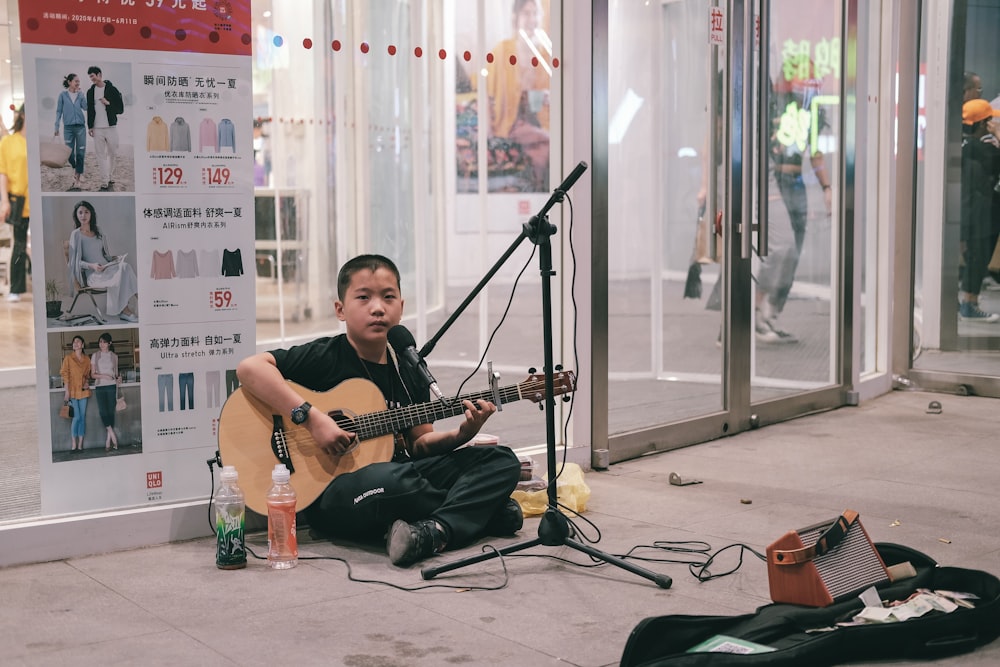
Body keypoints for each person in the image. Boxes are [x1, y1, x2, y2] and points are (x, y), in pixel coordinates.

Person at [236, 254, 523, 567]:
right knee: (394, 480)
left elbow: (419, 444)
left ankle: (434, 531)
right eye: (363, 297)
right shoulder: (326, 356)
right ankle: (482, 511)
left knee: (502, 461)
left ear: (401, 305)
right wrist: (313, 419)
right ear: (340, 310)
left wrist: (462, 433)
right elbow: (250, 368)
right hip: (340, 494)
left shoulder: (409, 366)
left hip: (402, 478)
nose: (377, 307)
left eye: (388, 297)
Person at [753, 68, 834, 343]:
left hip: (796, 182)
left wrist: (827, 187)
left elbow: (814, 153)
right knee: (778, 249)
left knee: (792, 254)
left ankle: (769, 316)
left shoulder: (810, 116)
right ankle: (754, 313)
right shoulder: (774, 113)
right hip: (775, 181)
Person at [482, 0, 552, 192]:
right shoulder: (502, 51)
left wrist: (549, 97)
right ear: (516, 18)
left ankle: (538, 195)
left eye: (535, 13)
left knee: (544, 151)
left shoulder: (546, 53)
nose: (532, 19)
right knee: (547, 144)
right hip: (511, 123)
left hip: (539, 120)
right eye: (526, 14)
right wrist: (487, 132)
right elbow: (486, 96)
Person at [958, 99, 1000, 322]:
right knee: (978, 258)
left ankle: (968, 301)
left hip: (969, 211)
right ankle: (969, 303)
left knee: (974, 258)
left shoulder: (966, 145)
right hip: (981, 214)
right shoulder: (984, 149)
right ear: (984, 123)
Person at [66, 200, 139, 322]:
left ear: (91, 214)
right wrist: (92, 266)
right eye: (80, 213)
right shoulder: (76, 234)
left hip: (106, 268)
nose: (83, 215)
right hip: (93, 276)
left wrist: (114, 259)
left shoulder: (98, 231)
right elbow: (73, 263)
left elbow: (104, 255)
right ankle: (125, 310)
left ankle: (130, 306)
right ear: (76, 215)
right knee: (121, 274)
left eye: (86, 212)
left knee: (125, 266)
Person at [0, 104, 29, 302]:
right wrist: (4, 201)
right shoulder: (8, 142)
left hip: (38, 200)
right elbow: (3, 173)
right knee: (19, 244)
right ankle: (16, 289)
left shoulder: (37, 142)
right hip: (18, 200)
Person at [86, 66, 124, 192]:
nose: (92, 79)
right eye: (90, 77)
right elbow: (90, 111)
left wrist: (109, 103)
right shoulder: (90, 92)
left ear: (100, 74)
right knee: (100, 155)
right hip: (97, 128)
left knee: (113, 152)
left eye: (93, 76)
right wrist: (90, 126)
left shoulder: (112, 90)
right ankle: (104, 181)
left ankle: (110, 175)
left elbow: (120, 109)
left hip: (111, 127)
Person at [55, 73, 88, 192]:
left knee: (80, 153)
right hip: (68, 128)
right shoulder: (63, 95)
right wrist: (56, 126)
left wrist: (82, 95)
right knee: (69, 153)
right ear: (69, 82)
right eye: (76, 81)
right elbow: (58, 112)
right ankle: (76, 168)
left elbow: (85, 107)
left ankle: (78, 178)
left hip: (80, 127)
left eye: (79, 81)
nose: (78, 83)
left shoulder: (80, 95)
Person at [61, 335, 92, 452]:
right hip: (73, 391)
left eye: (78, 341)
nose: (76, 343)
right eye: (74, 342)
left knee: (82, 417)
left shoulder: (87, 359)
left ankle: (81, 443)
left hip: (83, 391)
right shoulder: (68, 358)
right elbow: (65, 374)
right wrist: (67, 391)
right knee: (77, 416)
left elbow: (87, 375)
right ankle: (74, 442)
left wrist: (86, 382)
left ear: (82, 345)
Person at [91, 332, 120, 451]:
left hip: (112, 386)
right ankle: (112, 434)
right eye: (100, 342)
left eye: (104, 342)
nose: (101, 344)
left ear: (109, 343)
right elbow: (92, 375)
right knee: (103, 412)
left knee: (110, 413)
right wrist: (104, 376)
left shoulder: (114, 356)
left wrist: (118, 378)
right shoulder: (95, 355)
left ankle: (108, 440)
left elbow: (116, 373)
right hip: (100, 387)